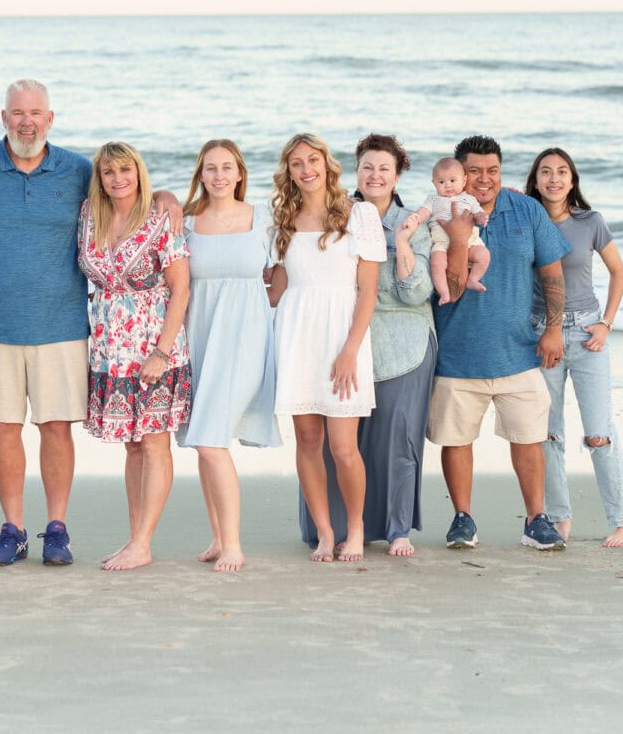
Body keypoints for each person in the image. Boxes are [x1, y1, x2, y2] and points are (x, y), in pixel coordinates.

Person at [0, 79, 180, 567]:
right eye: (17, 113)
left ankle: (56, 529)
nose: (26, 121)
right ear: (3, 119)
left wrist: (164, 193)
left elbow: (122, 188)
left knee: (56, 428)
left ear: (50, 118)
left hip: (61, 327)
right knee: (2, 429)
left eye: (35, 112)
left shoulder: (78, 169)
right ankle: (13, 529)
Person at [428, 135, 571, 551]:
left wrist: (554, 329)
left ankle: (536, 520)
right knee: (457, 441)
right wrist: (457, 236)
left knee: (529, 439)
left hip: (518, 351)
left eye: (493, 170)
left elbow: (552, 273)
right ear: (457, 173)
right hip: (457, 351)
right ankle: (462, 519)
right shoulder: (441, 214)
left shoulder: (526, 210)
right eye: (474, 170)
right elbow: (450, 289)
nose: (484, 179)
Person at [297, 133, 435, 557]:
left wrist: (403, 245)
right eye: (368, 167)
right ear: (355, 170)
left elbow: (417, 292)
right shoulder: (337, 213)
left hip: (402, 340)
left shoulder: (413, 222)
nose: (375, 176)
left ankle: (397, 529)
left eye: (385, 169)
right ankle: (331, 528)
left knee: (397, 437)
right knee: (332, 442)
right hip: (337, 335)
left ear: (397, 176)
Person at [268, 133, 385, 563]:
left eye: (312, 160)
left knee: (343, 447)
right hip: (296, 335)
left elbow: (368, 290)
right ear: (288, 171)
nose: (305, 169)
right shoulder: (282, 219)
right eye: (296, 163)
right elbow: (281, 288)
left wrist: (350, 350)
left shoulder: (360, 215)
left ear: (326, 164)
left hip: (342, 337)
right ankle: (323, 532)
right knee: (307, 438)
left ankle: (355, 531)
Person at [78, 142, 192, 571]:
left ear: (139, 173)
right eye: (108, 172)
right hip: (110, 349)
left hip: (154, 346)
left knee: (154, 442)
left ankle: (143, 542)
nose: (117, 179)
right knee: (131, 446)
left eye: (125, 170)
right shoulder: (90, 216)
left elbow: (180, 288)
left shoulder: (162, 216)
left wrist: (161, 353)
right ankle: (135, 539)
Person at [525, 147, 623, 548]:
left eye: (561, 172)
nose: (554, 179)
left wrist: (606, 323)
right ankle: (558, 519)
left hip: (587, 334)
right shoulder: (527, 219)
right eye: (545, 172)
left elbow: (618, 271)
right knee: (548, 434)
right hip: (542, 335)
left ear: (572, 180)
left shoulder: (591, 222)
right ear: (535, 181)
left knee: (599, 434)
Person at [178, 139, 279, 573]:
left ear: (240, 173)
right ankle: (218, 537)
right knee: (205, 440)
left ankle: (234, 545)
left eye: (227, 167)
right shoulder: (185, 222)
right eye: (210, 168)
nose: (219, 175)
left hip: (246, 337)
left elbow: (284, 272)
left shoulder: (263, 218)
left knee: (211, 438)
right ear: (200, 174)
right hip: (199, 334)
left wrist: (269, 310)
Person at [404, 157, 490, 305]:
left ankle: (472, 279)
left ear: (463, 181)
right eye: (441, 182)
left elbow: (477, 214)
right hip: (441, 243)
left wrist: (481, 217)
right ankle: (444, 292)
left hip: (470, 241)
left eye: (452, 180)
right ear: (434, 183)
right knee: (437, 264)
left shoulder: (469, 199)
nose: (447, 186)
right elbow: (424, 211)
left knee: (484, 255)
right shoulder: (433, 199)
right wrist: (416, 217)